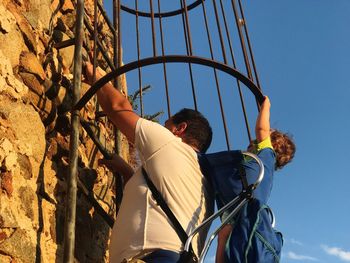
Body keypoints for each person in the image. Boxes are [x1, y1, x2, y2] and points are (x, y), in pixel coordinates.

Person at [83, 62, 214, 263]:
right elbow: (154, 197)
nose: (162, 127)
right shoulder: (202, 181)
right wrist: (127, 171)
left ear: (180, 128)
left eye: (166, 124)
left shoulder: (170, 143)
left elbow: (118, 108)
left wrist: (95, 75)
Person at [215, 96, 296, 263]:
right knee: (224, 236)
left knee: (223, 236)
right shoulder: (263, 167)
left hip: (242, 207)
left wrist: (265, 107)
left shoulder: (267, 154)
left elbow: (261, 129)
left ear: (273, 144)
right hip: (241, 211)